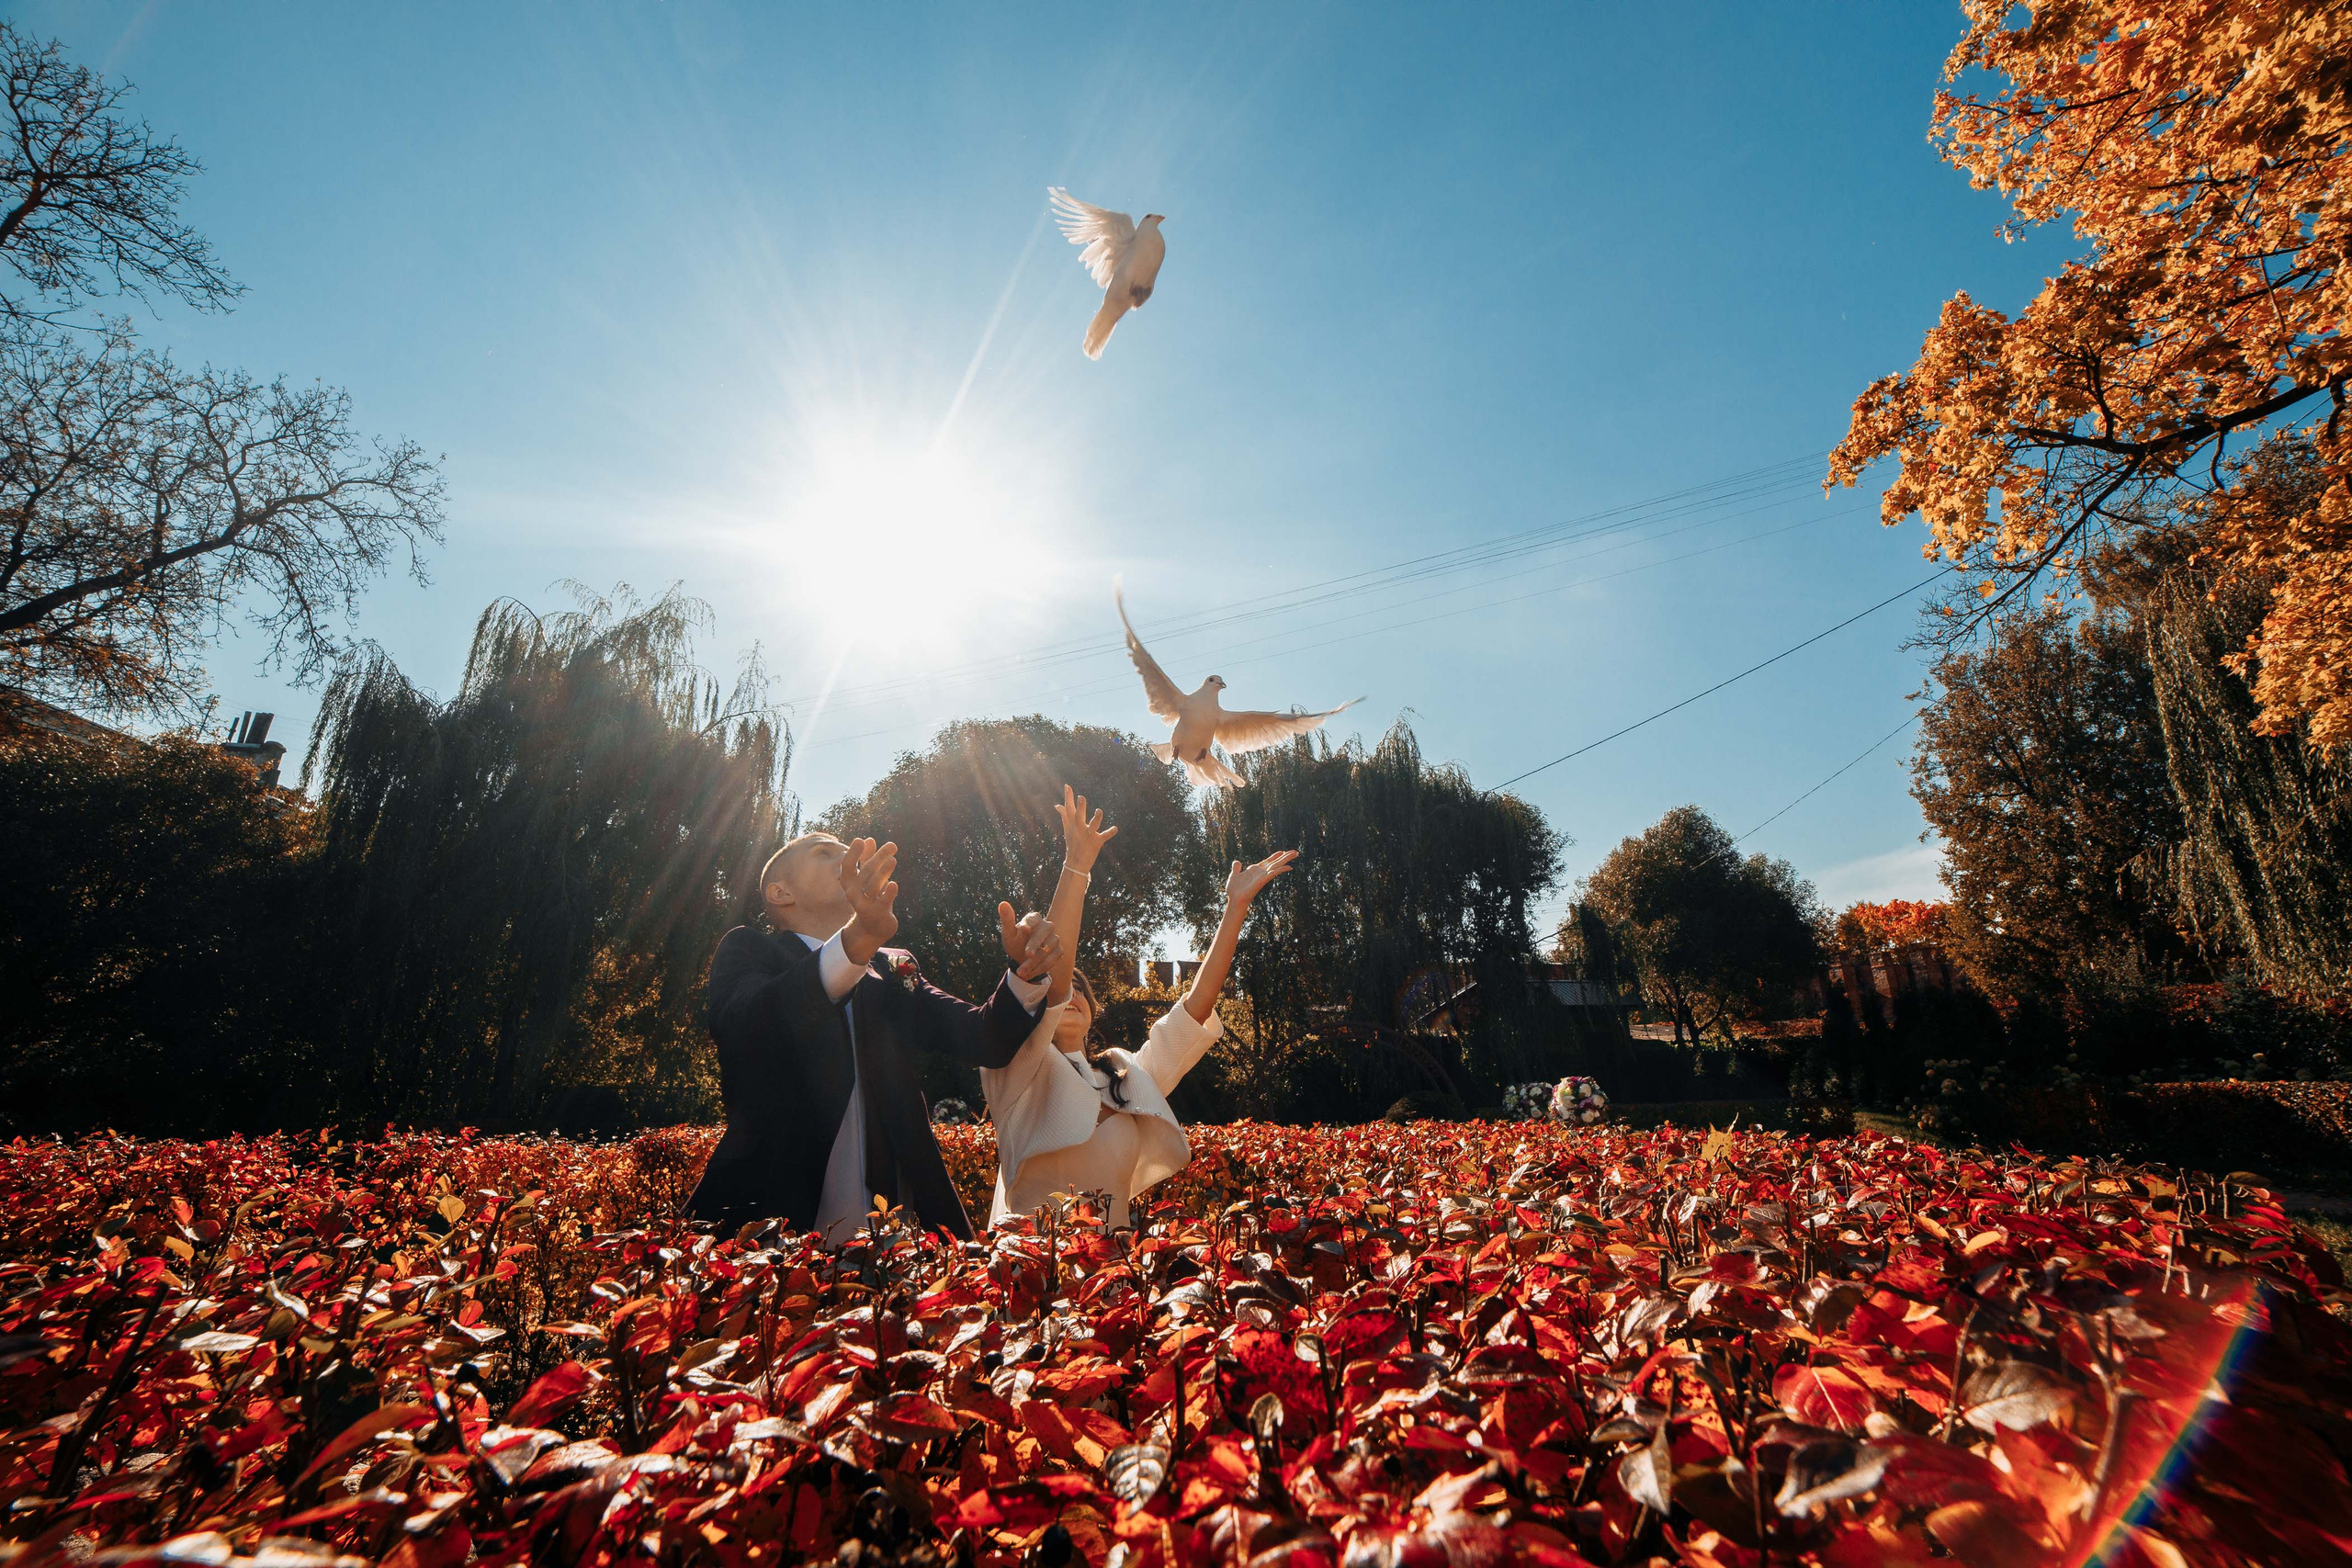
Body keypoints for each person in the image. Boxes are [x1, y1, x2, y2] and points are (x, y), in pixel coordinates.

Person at [687, 831, 1064, 1243]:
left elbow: (984, 1039)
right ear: (780, 893)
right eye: (823, 852)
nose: (850, 855)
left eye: (848, 849)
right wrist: (857, 941)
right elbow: (748, 1027)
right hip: (771, 1234)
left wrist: (1024, 971)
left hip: (903, 1242)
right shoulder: (749, 950)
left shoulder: (894, 967)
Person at [984, 785, 1298, 1227]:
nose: (1069, 994)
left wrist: (1235, 908)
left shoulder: (1125, 1076)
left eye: (1080, 989)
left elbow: (1192, 1011)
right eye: (1061, 988)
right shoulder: (1013, 1071)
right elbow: (1050, 982)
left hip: (1114, 1276)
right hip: (1031, 1273)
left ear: (1095, 1010)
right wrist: (1076, 867)